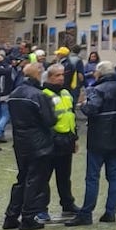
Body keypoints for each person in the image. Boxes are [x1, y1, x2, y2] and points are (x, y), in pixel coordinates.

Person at [65, 60, 116, 225]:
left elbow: (91, 109)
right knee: (114, 175)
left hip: (99, 138)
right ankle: (110, 211)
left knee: (92, 177)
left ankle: (86, 213)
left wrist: (83, 105)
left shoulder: (96, 89)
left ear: (99, 73)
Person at [0, 62, 56, 230]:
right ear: (38, 74)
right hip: (38, 142)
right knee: (35, 180)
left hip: (21, 142)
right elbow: (49, 120)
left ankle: (11, 215)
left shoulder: (15, 93)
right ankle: (28, 216)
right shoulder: (38, 95)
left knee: (22, 179)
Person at [41, 62, 79, 220]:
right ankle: (42, 208)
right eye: (57, 75)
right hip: (52, 140)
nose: (61, 78)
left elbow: (71, 115)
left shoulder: (66, 93)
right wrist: (52, 137)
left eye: (62, 75)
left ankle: (67, 203)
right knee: (45, 177)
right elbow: (43, 120)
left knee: (64, 176)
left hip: (67, 139)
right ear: (49, 77)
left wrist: (75, 137)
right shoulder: (44, 94)